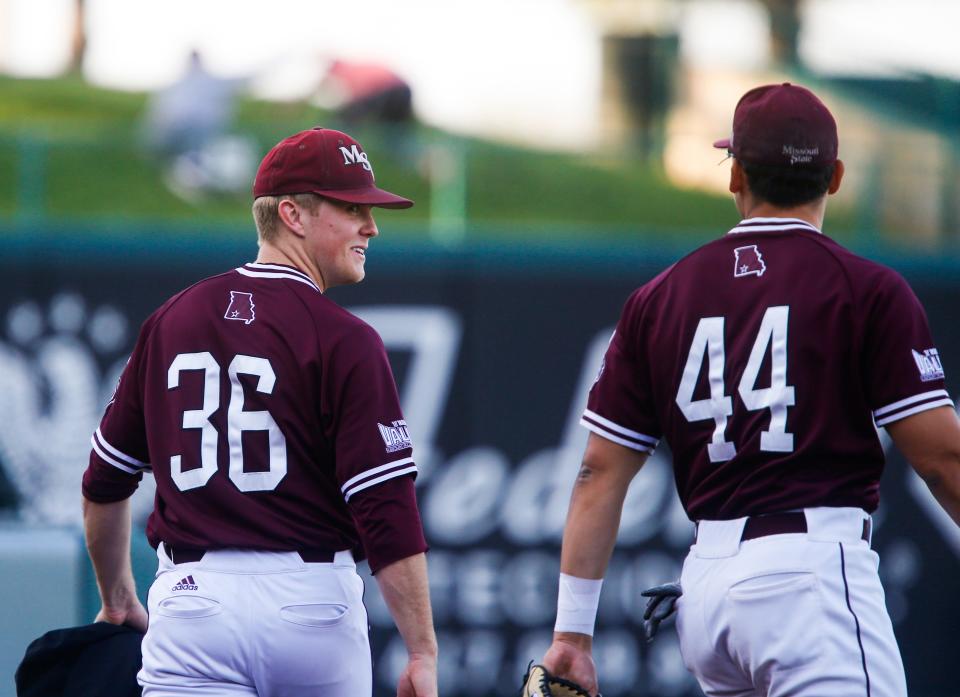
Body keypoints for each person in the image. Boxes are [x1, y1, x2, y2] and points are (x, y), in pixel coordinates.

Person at [539, 83, 960, 697]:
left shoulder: (660, 297)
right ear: (835, 177)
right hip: (810, 578)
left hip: (707, 592)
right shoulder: (867, 288)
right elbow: (943, 460)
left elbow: (598, 474)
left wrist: (572, 635)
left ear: (734, 173)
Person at [81, 127, 438, 697]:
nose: (371, 225)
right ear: (293, 214)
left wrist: (117, 595)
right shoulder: (346, 338)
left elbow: (104, 482)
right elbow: (385, 509)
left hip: (193, 607)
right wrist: (421, 650)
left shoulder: (171, 320)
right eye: (352, 208)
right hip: (310, 607)